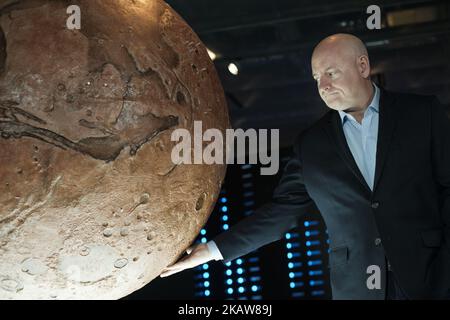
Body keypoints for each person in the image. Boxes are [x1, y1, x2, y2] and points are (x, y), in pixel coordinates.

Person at [160, 33, 450, 300]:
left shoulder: (422, 113)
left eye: (331, 73)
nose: (323, 86)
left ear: (362, 66)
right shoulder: (311, 145)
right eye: (316, 78)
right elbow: (282, 211)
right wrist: (211, 251)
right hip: (357, 290)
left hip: (431, 280)